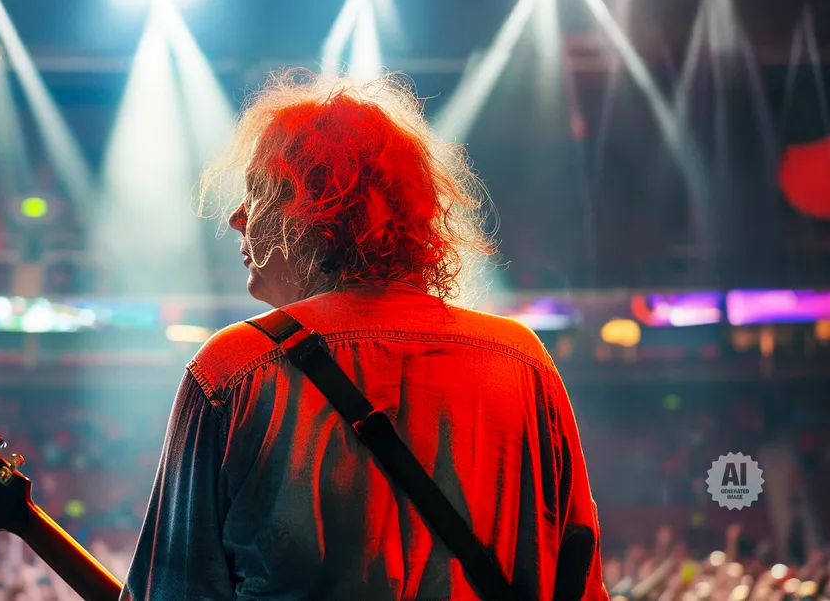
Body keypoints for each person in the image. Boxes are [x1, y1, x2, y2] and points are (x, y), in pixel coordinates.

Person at [122, 69, 607, 600]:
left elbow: (173, 589)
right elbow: (579, 585)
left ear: (311, 208)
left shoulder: (233, 370)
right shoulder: (522, 364)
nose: (237, 218)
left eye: (256, 191)